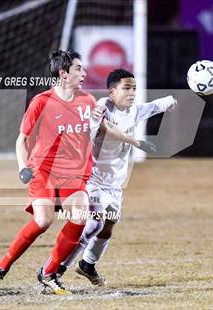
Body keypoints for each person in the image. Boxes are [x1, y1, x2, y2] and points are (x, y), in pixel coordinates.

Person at [0, 51, 142, 296]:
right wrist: (23, 168)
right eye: (78, 69)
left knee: (80, 217)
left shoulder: (88, 101)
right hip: (43, 171)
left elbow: (103, 127)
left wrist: (133, 140)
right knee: (43, 221)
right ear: (63, 73)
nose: (84, 73)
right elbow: (21, 140)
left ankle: (49, 274)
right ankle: (1, 268)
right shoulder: (41, 102)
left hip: (75, 175)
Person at [56, 69, 177, 286]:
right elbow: (104, 128)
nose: (131, 93)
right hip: (93, 180)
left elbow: (153, 107)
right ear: (112, 92)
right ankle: (57, 269)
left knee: (109, 225)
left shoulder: (134, 111)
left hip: (114, 184)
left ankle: (87, 264)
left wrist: (170, 100)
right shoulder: (103, 105)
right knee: (94, 223)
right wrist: (135, 142)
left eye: (134, 88)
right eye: (126, 88)